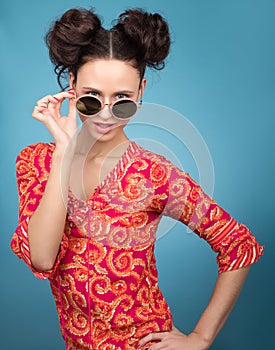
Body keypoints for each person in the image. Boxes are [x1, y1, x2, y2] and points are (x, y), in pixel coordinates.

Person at [10, 6, 264, 350]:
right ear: (71, 85)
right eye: (90, 98)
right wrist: (64, 152)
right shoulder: (36, 161)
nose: (105, 114)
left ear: (141, 91)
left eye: (122, 101)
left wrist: (200, 338)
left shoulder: (154, 174)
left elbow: (239, 246)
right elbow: (41, 257)